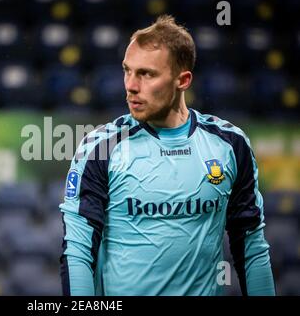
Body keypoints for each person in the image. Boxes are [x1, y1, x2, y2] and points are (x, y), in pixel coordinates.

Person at [59, 15, 275, 296]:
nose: (131, 85)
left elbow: (251, 247)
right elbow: (77, 253)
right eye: (127, 71)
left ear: (182, 80)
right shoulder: (101, 149)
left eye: (146, 74)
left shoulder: (230, 145)